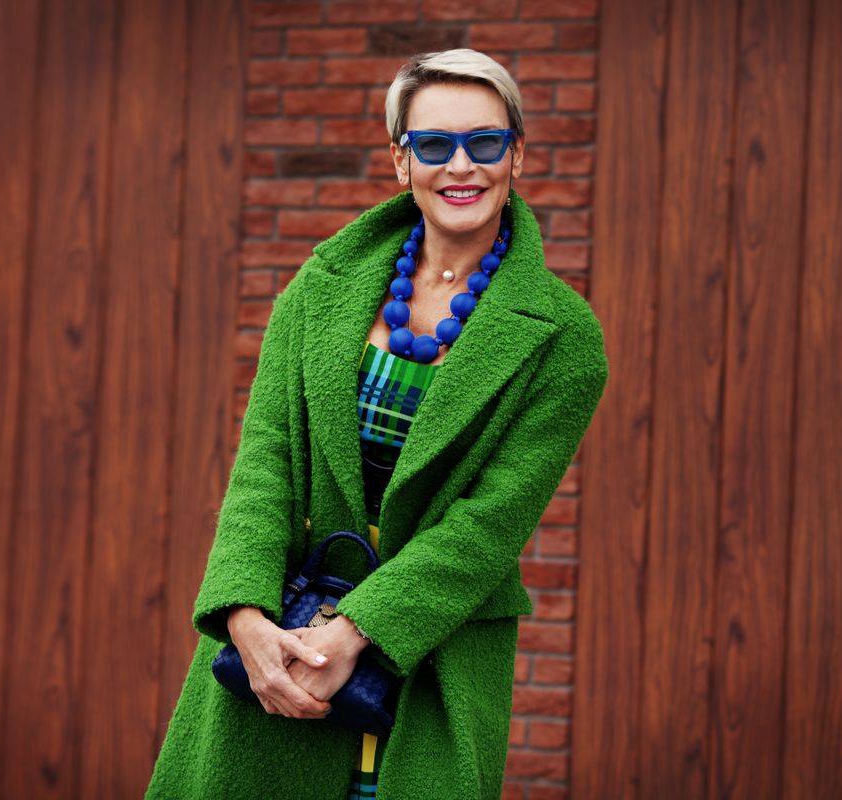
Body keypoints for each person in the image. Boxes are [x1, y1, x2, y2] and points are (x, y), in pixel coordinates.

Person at [143, 48, 609, 800]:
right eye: (433, 145)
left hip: (433, 657)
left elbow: (486, 527)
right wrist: (243, 614)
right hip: (284, 637)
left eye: (485, 142)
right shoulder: (320, 288)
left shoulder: (564, 338)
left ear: (517, 153)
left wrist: (356, 629)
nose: (461, 165)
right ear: (401, 162)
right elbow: (264, 462)